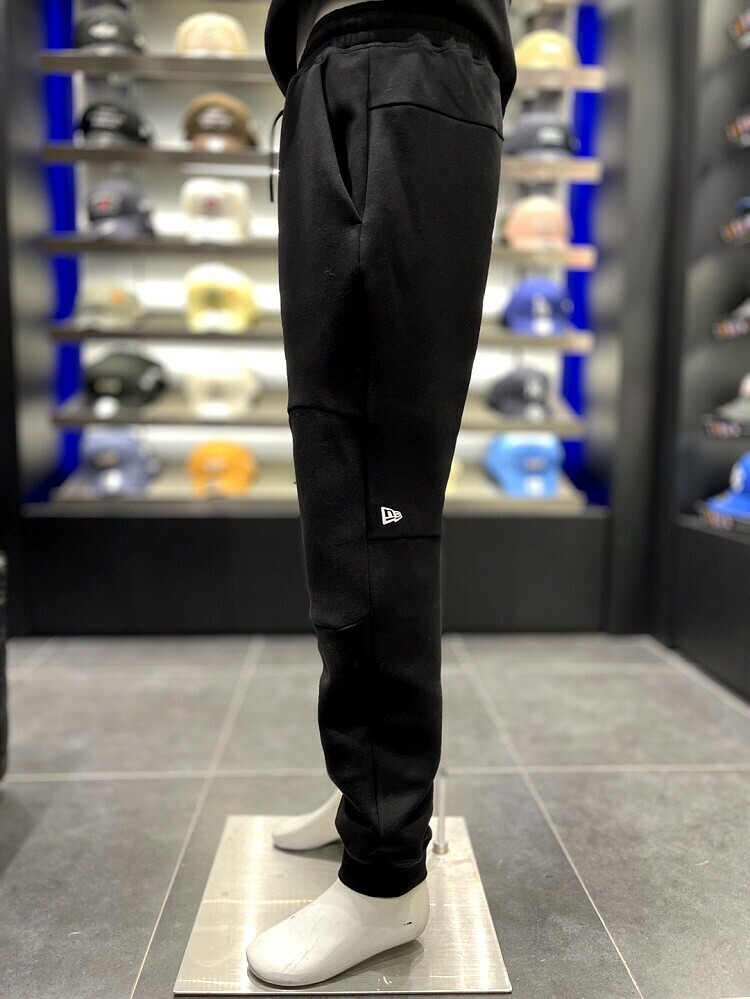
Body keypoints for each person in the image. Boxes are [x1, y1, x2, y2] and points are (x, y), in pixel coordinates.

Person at [246, 0, 516, 986]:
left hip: (403, 55)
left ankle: (386, 872)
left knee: (374, 487)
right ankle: (367, 785)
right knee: (339, 466)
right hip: (340, 67)